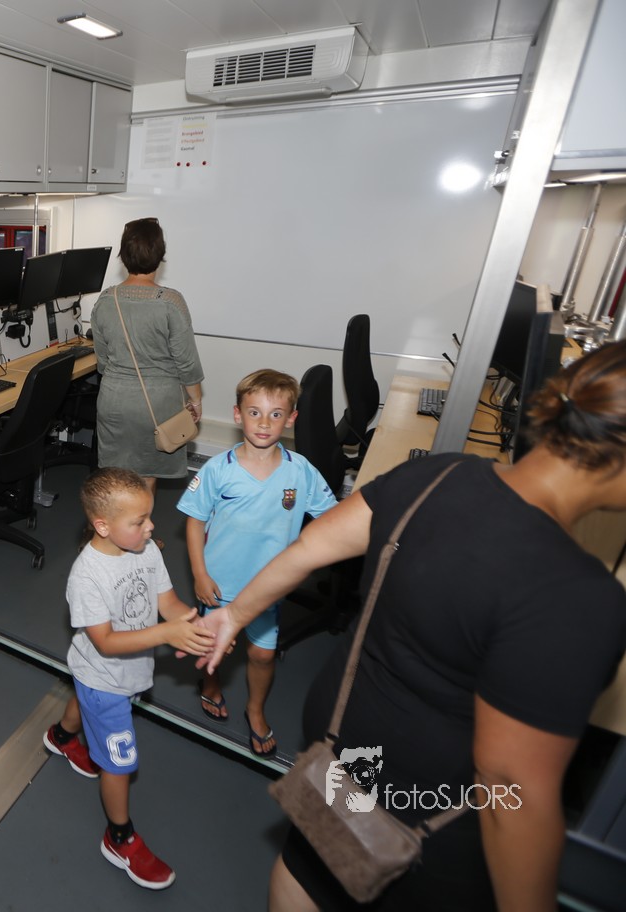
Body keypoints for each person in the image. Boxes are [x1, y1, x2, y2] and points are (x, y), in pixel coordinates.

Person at [197, 343, 626, 911]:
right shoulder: (577, 597)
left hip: (340, 746)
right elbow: (508, 788)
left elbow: (308, 549)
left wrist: (234, 614)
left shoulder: (436, 472)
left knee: (311, 864)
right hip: (422, 806)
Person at [42, 467, 216, 891]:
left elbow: (168, 602)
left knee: (83, 699)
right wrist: (166, 634)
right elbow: (105, 642)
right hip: (105, 677)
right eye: (139, 521)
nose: (151, 527)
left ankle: (61, 737)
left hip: (119, 672)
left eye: (148, 516)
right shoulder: (87, 576)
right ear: (103, 525)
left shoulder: (145, 550)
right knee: (119, 764)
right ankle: (119, 838)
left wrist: (198, 628)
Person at [177, 369, 337, 757]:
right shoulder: (218, 469)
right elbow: (194, 521)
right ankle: (210, 686)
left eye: (275, 414)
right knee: (214, 647)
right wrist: (199, 573)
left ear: (291, 419)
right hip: (218, 583)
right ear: (238, 415)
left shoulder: (301, 471)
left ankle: (255, 708)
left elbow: (332, 519)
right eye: (254, 413)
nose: (264, 423)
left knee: (262, 654)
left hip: (268, 587)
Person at [89, 217, 205, 496]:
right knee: (146, 477)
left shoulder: (105, 300)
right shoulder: (171, 302)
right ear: (160, 254)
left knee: (115, 476)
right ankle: (140, 523)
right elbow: (187, 362)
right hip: (157, 404)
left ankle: (116, 523)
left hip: (114, 400)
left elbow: (102, 360)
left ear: (123, 255)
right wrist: (196, 400)